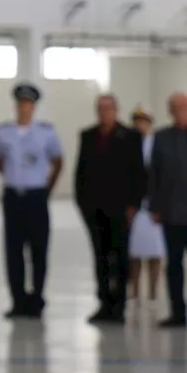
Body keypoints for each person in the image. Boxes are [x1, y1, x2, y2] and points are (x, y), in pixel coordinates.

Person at [0, 82, 63, 319]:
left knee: (39, 250)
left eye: (29, 104)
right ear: (16, 105)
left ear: (34, 107)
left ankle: (37, 298)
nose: (24, 108)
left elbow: (58, 161)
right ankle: (17, 301)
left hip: (36, 197)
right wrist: (13, 179)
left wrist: (46, 189)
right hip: (13, 197)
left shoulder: (46, 132)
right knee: (13, 251)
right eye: (21, 103)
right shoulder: (3, 132)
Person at [73, 94, 145, 325]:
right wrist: (83, 206)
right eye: (100, 108)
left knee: (120, 257)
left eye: (108, 108)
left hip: (121, 209)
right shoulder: (88, 136)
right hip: (94, 210)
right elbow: (80, 173)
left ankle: (119, 305)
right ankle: (104, 303)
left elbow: (138, 174)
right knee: (100, 257)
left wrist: (134, 205)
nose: (104, 112)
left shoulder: (131, 137)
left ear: (116, 110)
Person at [149, 92, 187, 328]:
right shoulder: (161, 138)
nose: (179, 110)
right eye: (175, 107)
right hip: (171, 213)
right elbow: (154, 174)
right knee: (173, 264)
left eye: (183, 106)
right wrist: (155, 206)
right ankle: (177, 312)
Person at [128, 105, 165, 303]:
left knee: (154, 252)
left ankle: (152, 292)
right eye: (137, 121)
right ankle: (134, 290)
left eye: (143, 121)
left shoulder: (156, 144)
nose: (140, 125)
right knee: (134, 253)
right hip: (135, 206)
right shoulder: (129, 144)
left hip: (153, 206)